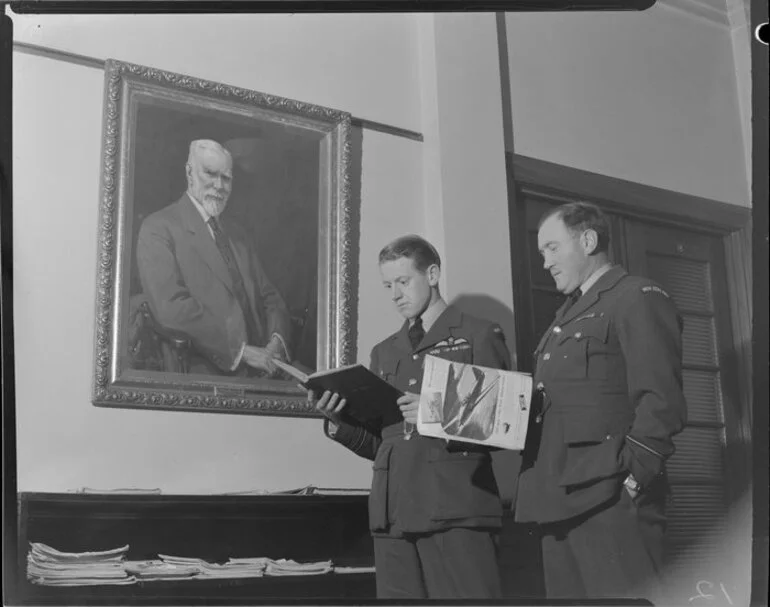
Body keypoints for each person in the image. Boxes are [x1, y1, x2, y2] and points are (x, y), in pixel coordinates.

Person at [313, 235, 511, 599]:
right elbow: (385, 444)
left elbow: (503, 425)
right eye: (389, 285)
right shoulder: (385, 352)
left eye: (403, 282)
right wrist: (340, 422)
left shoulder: (478, 334)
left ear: (432, 274)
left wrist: (433, 411)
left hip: (456, 512)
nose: (395, 295)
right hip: (393, 515)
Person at [514, 202, 687, 600]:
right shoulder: (566, 316)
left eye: (552, 248)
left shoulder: (636, 296)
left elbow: (661, 399)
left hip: (609, 497)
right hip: (559, 496)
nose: (545, 262)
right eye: (542, 253)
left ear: (588, 241)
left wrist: (633, 477)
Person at [136, 139, 291, 377]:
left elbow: (269, 296)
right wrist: (242, 352)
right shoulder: (158, 228)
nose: (219, 185)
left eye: (226, 178)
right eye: (210, 174)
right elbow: (171, 309)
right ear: (189, 173)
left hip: (266, 368)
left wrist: (276, 341)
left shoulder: (238, 234)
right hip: (207, 370)